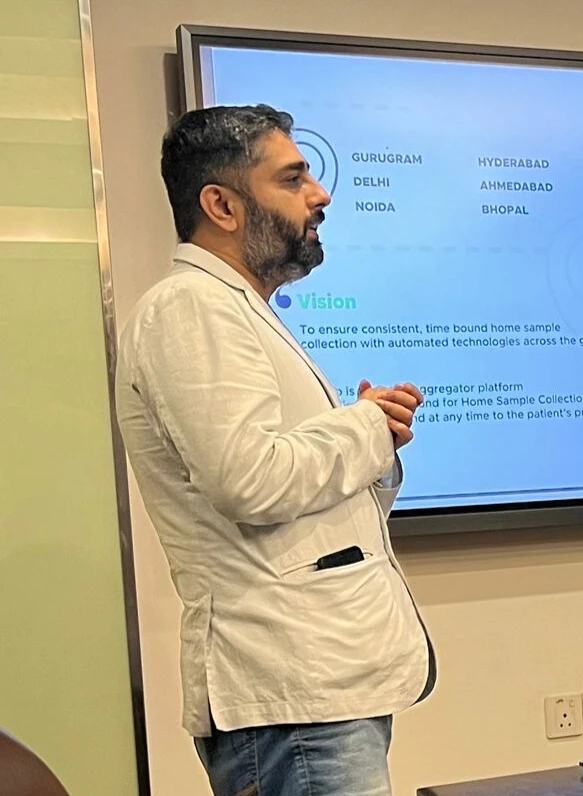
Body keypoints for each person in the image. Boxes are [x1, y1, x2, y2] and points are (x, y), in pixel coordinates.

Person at [115, 104, 435, 796]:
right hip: (291, 699)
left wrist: (375, 440)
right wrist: (363, 428)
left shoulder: (235, 307)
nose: (320, 196)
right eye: (292, 179)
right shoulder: (190, 307)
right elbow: (248, 480)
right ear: (221, 206)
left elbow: (298, 497)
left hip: (318, 692)